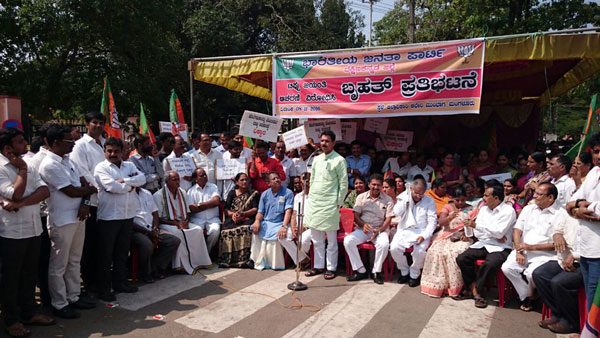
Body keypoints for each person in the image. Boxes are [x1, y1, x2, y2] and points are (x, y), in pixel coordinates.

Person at [0, 128, 55, 337]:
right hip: (11, 232)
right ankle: (12, 319)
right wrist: (22, 171)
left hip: (33, 227)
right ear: (8, 148)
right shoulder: (3, 167)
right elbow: (15, 191)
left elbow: (44, 190)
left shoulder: (29, 164)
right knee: (11, 277)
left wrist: (20, 203)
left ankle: (29, 311)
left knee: (29, 274)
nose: (26, 145)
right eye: (21, 142)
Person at [39, 125, 98, 319]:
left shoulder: (68, 161)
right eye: (69, 141)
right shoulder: (49, 165)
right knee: (59, 265)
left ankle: (73, 296)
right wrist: (88, 192)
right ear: (55, 143)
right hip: (62, 220)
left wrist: (86, 201)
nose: (73, 144)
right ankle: (59, 303)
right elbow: (71, 191)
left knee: (74, 260)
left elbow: (84, 185)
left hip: (78, 216)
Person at [94, 137, 145, 301]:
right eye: (109, 151)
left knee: (122, 253)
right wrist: (131, 185)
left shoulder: (129, 165)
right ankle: (103, 288)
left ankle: (120, 283)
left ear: (122, 151)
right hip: (109, 217)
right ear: (104, 151)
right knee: (105, 255)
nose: (113, 154)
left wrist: (125, 181)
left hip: (127, 216)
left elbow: (143, 179)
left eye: (116, 151)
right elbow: (111, 187)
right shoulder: (101, 168)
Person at [501, 182, 560, 311]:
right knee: (507, 268)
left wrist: (531, 247)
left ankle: (530, 296)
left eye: (539, 194)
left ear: (550, 198)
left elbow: (557, 245)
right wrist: (518, 251)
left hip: (545, 255)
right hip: (523, 249)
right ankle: (528, 295)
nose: (535, 196)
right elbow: (517, 231)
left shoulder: (560, 213)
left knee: (532, 274)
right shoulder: (529, 209)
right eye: (535, 193)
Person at [455, 185, 516, 308]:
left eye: (486, 196)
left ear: (496, 198)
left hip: (502, 246)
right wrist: (491, 232)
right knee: (462, 258)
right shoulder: (483, 210)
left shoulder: (508, 211)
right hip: (484, 243)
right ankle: (474, 291)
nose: (483, 198)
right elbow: (478, 233)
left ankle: (477, 292)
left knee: (490, 264)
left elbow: (498, 233)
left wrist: (479, 227)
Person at [70, 112, 106, 294]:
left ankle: (101, 281)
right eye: (94, 122)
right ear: (87, 124)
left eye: (101, 123)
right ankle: (89, 284)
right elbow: (83, 174)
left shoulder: (106, 144)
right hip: (91, 200)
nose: (98, 126)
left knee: (102, 245)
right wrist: (105, 187)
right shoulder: (80, 146)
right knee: (88, 246)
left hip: (108, 202)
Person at [533, 205, 584, 334]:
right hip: (563, 258)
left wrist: (575, 255)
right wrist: (557, 235)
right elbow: (557, 228)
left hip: (584, 261)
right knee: (539, 275)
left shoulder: (591, 215)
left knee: (559, 283)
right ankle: (558, 314)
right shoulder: (569, 212)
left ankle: (571, 322)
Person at [305, 130, 348, 279]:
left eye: (327, 141)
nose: (323, 143)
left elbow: (343, 184)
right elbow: (312, 179)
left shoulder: (339, 160)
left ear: (333, 143)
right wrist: (310, 197)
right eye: (322, 141)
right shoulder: (316, 159)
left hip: (330, 204)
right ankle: (318, 266)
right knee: (316, 238)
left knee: (331, 240)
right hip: (315, 203)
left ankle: (331, 268)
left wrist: (338, 203)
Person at [566, 132, 600, 311]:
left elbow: (597, 212)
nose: (599, 156)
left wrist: (579, 208)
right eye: (596, 151)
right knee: (590, 295)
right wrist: (579, 206)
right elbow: (570, 204)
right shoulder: (594, 172)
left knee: (596, 300)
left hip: (598, 251)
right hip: (586, 248)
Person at [154, 171, 212, 274]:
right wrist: (176, 224)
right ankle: (179, 265)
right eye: (174, 180)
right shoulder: (158, 195)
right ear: (167, 182)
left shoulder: (182, 192)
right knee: (177, 232)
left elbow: (188, 211)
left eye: (178, 179)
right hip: (167, 223)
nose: (177, 182)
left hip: (181, 221)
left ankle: (198, 261)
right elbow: (158, 217)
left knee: (197, 229)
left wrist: (186, 221)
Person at [421, 187, 475, 298]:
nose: (460, 203)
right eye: (457, 200)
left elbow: (475, 226)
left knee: (456, 253)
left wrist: (467, 235)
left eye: (463, 200)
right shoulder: (448, 207)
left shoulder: (472, 209)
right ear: (453, 199)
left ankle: (456, 287)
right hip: (446, 236)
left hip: (463, 237)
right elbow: (441, 222)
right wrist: (450, 217)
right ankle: (439, 286)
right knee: (435, 251)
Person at [344, 174, 394, 284]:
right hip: (363, 229)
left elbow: (388, 219)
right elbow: (356, 215)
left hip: (380, 230)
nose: (376, 187)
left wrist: (379, 230)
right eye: (373, 185)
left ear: (382, 186)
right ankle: (360, 270)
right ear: (369, 184)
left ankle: (376, 271)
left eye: (378, 185)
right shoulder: (361, 197)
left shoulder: (388, 199)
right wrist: (363, 225)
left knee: (384, 244)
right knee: (348, 241)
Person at [390, 175, 437, 287]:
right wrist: (406, 199)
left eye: (421, 194)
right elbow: (396, 212)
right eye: (416, 193)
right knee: (394, 248)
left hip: (421, 231)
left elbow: (432, 223)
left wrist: (424, 236)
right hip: (404, 229)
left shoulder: (429, 202)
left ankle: (414, 274)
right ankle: (404, 271)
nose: (418, 196)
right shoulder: (404, 197)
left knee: (419, 251)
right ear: (411, 189)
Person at [250, 171, 300, 270]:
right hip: (267, 223)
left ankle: (274, 264)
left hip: (280, 223)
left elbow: (288, 211)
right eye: (274, 179)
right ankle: (255, 259)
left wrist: (284, 226)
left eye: (278, 178)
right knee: (255, 230)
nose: (277, 180)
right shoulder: (264, 194)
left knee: (280, 236)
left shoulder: (288, 192)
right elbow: (260, 212)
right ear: (268, 183)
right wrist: (257, 221)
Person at [131, 186, 180, 283]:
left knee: (173, 241)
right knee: (147, 245)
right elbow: (129, 222)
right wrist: (147, 232)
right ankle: (146, 273)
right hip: (137, 230)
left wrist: (155, 229)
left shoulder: (146, 193)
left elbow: (155, 213)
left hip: (151, 228)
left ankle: (156, 267)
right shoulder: (126, 195)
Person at [218, 173, 259, 268]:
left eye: (246, 180)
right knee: (225, 231)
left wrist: (243, 214)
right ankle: (227, 260)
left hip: (247, 217)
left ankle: (243, 260)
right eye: (242, 180)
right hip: (233, 218)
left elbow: (255, 209)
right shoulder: (232, 193)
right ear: (236, 182)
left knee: (244, 229)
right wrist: (233, 215)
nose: (245, 182)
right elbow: (226, 209)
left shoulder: (253, 193)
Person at [187, 168, 221, 253]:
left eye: (205, 174)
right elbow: (192, 209)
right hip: (197, 220)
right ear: (196, 179)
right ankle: (198, 255)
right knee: (196, 233)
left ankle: (207, 253)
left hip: (212, 219)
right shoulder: (191, 191)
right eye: (202, 175)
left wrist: (199, 205)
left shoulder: (213, 187)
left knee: (215, 231)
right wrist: (210, 204)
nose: (205, 176)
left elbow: (216, 202)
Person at [291, 172, 313, 271]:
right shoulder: (298, 196)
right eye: (303, 181)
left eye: (307, 180)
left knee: (303, 240)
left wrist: (304, 227)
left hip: (312, 227)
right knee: (282, 237)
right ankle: (304, 259)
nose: (305, 183)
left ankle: (302, 261)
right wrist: (292, 228)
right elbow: (294, 214)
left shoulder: (316, 196)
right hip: (299, 226)